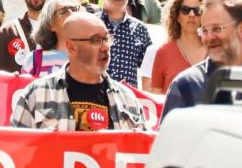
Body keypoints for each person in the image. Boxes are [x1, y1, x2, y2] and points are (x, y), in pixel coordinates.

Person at [11, 11, 148, 131]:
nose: (105, 47)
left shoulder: (127, 99)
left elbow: (142, 154)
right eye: (96, 40)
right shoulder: (35, 94)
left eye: (106, 39)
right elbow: (17, 151)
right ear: (71, 48)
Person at [162, 0, 242, 119]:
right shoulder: (186, 85)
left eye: (217, 29)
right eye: (204, 31)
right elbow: (170, 137)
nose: (209, 38)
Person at [96, 0, 151, 85]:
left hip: (128, 100)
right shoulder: (90, 25)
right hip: (94, 98)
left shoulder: (140, 29)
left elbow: (149, 70)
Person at [148, 0, 207, 94]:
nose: (192, 14)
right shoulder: (163, 52)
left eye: (197, 10)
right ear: (177, 16)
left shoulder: (214, 51)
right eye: (185, 10)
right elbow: (156, 97)